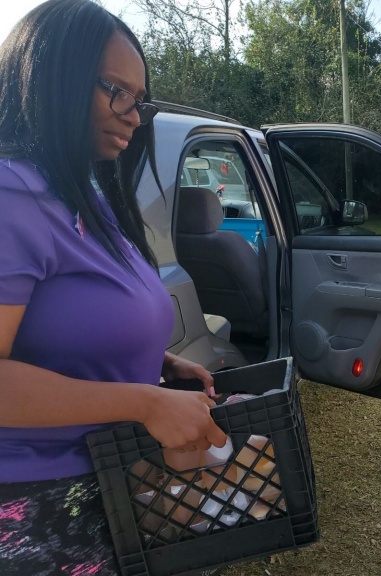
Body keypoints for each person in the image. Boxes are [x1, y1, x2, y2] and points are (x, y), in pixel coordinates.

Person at [0, 1, 227, 574]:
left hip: (105, 488)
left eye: (139, 99)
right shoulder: (10, 198)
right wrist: (143, 400)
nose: (133, 114)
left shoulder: (83, 195)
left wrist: (154, 360)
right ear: (51, 77)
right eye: (115, 90)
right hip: (39, 515)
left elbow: (63, 321)